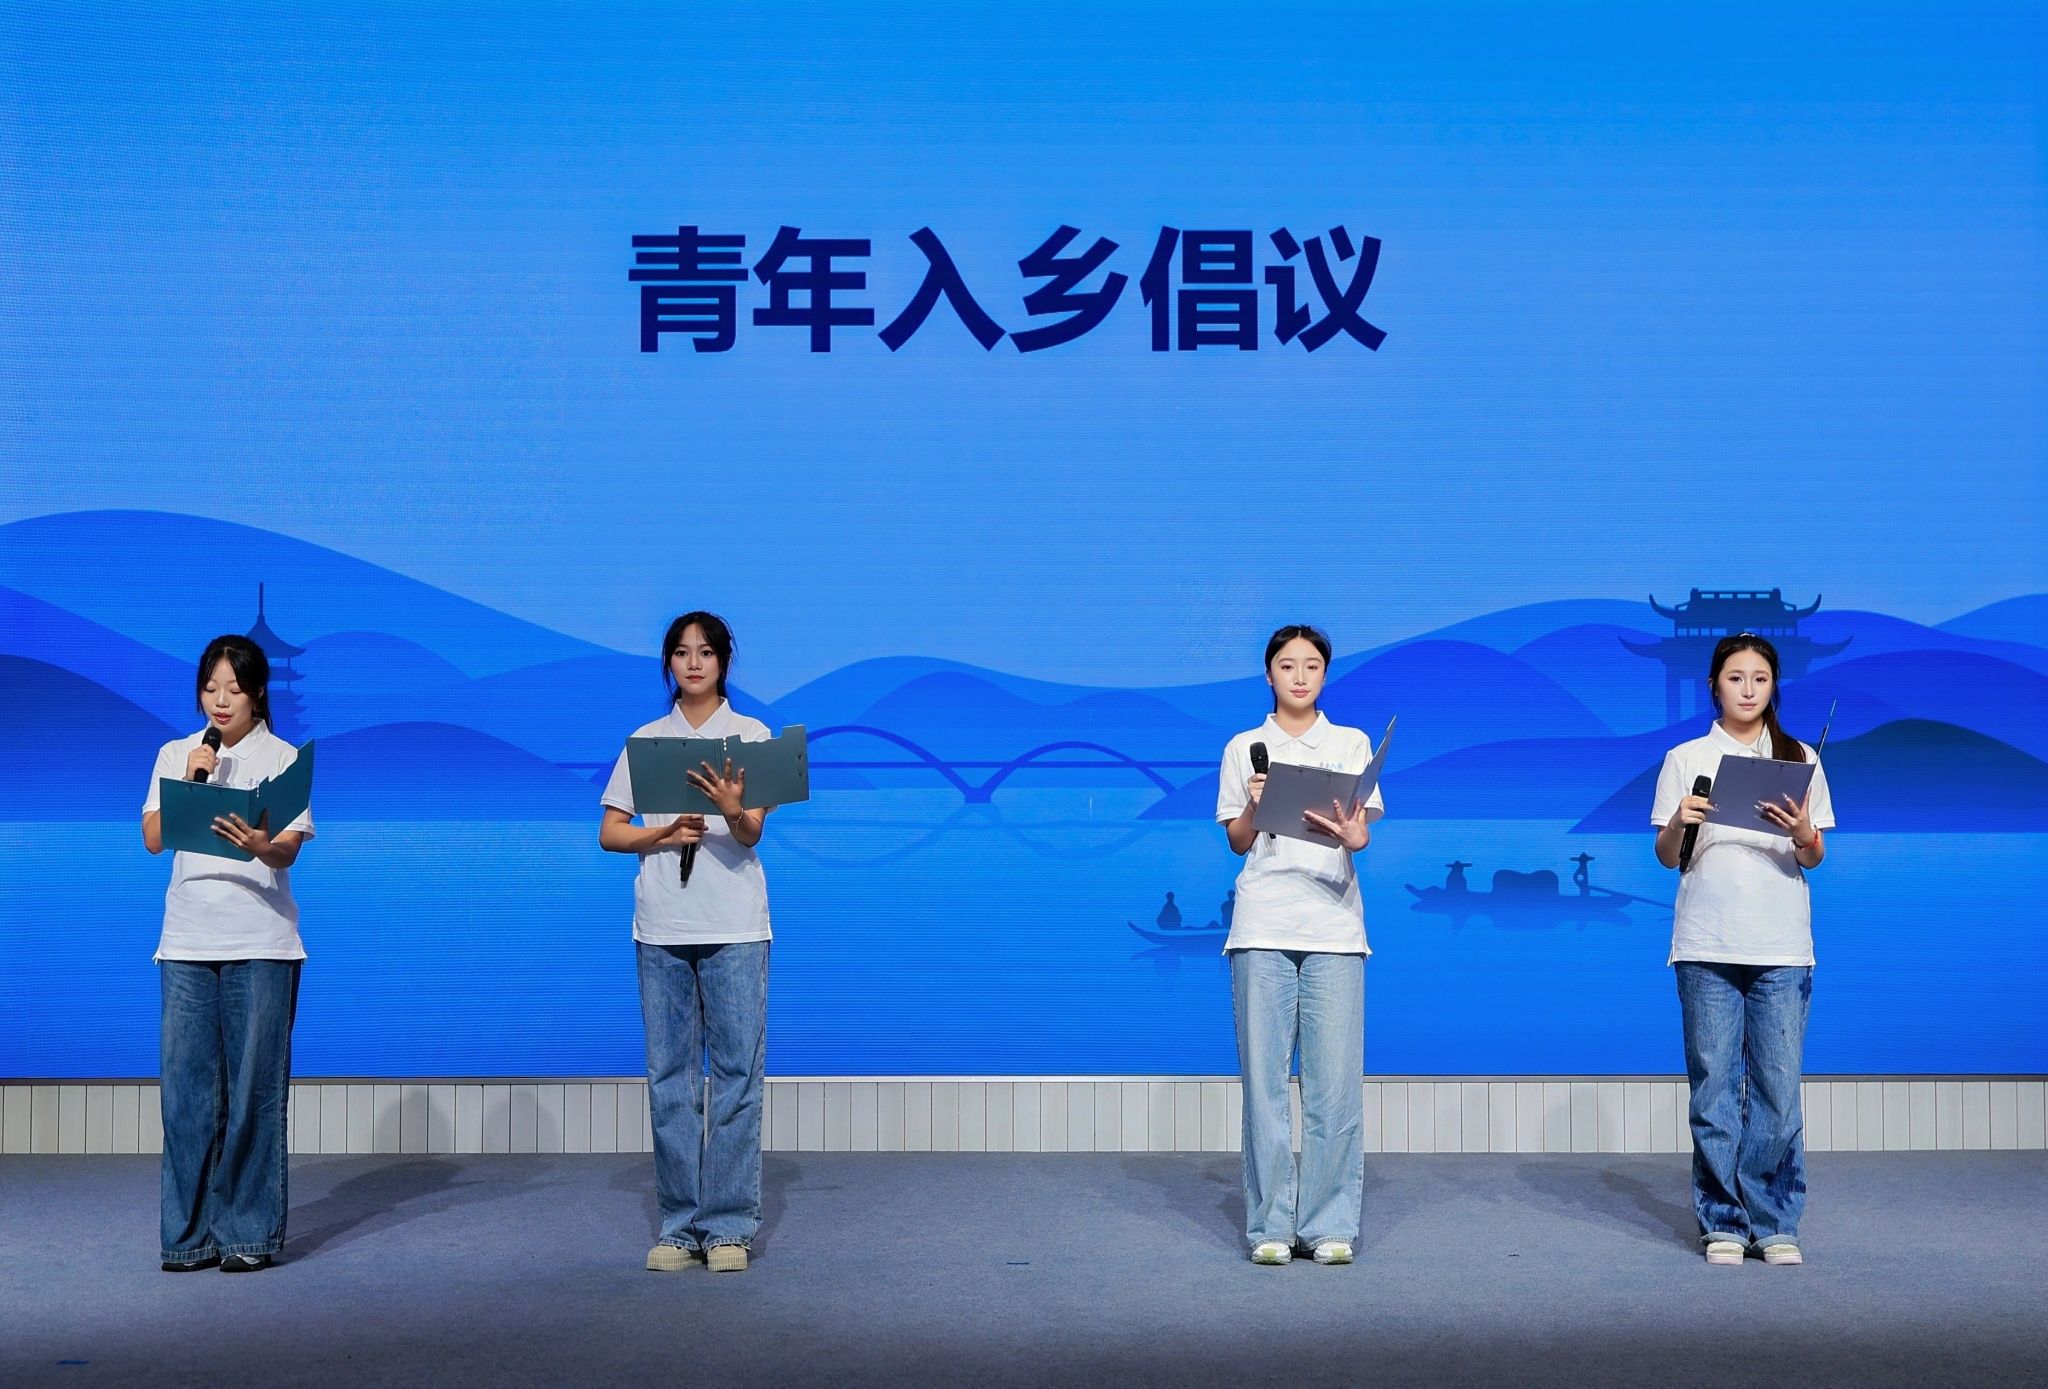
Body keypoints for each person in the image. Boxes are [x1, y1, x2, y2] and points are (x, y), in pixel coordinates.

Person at [601, 612, 774, 1274]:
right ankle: (679, 1225)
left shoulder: (751, 736)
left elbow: (751, 832)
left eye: (705, 652)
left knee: (735, 1075)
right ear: (668, 663)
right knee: (670, 1077)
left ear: (724, 661)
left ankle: (728, 1225)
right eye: (681, 652)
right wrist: (664, 833)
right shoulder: (647, 741)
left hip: (735, 927)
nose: (693, 662)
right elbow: (611, 832)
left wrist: (731, 807)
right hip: (663, 927)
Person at [1653, 633, 1834, 1267]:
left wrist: (1804, 830)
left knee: (1778, 1092)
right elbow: (1665, 856)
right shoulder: (1686, 758)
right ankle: (1723, 1222)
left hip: (1781, 945)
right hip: (1706, 943)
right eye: (1736, 678)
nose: (1748, 689)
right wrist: (1681, 820)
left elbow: (1814, 855)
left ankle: (1774, 1220)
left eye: (1760, 678)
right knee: (1714, 1091)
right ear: (1714, 685)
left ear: (1774, 685)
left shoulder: (1800, 758)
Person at [141, 635, 313, 1273]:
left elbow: (288, 849)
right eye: (210, 688)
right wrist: (189, 783)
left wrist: (260, 844)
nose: (220, 700)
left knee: (253, 1093)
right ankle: (187, 1238)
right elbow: (153, 838)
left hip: (261, 942)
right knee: (186, 1095)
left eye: (233, 689)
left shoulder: (282, 758)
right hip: (187, 942)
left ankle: (246, 1234)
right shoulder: (176, 753)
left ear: (258, 692)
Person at [1215, 624, 1382, 1266]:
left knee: (1333, 1087)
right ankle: (1270, 1227)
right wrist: (1256, 808)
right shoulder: (1244, 747)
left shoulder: (1349, 743)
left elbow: (1360, 833)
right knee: (1264, 1087)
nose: (1301, 676)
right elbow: (1237, 840)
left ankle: (1328, 1224)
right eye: (1288, 665)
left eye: (1312, 665)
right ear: (1269, 674)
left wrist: (1353, 834)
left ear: (1325, 674)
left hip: (1334, 926)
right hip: (1262, 924)